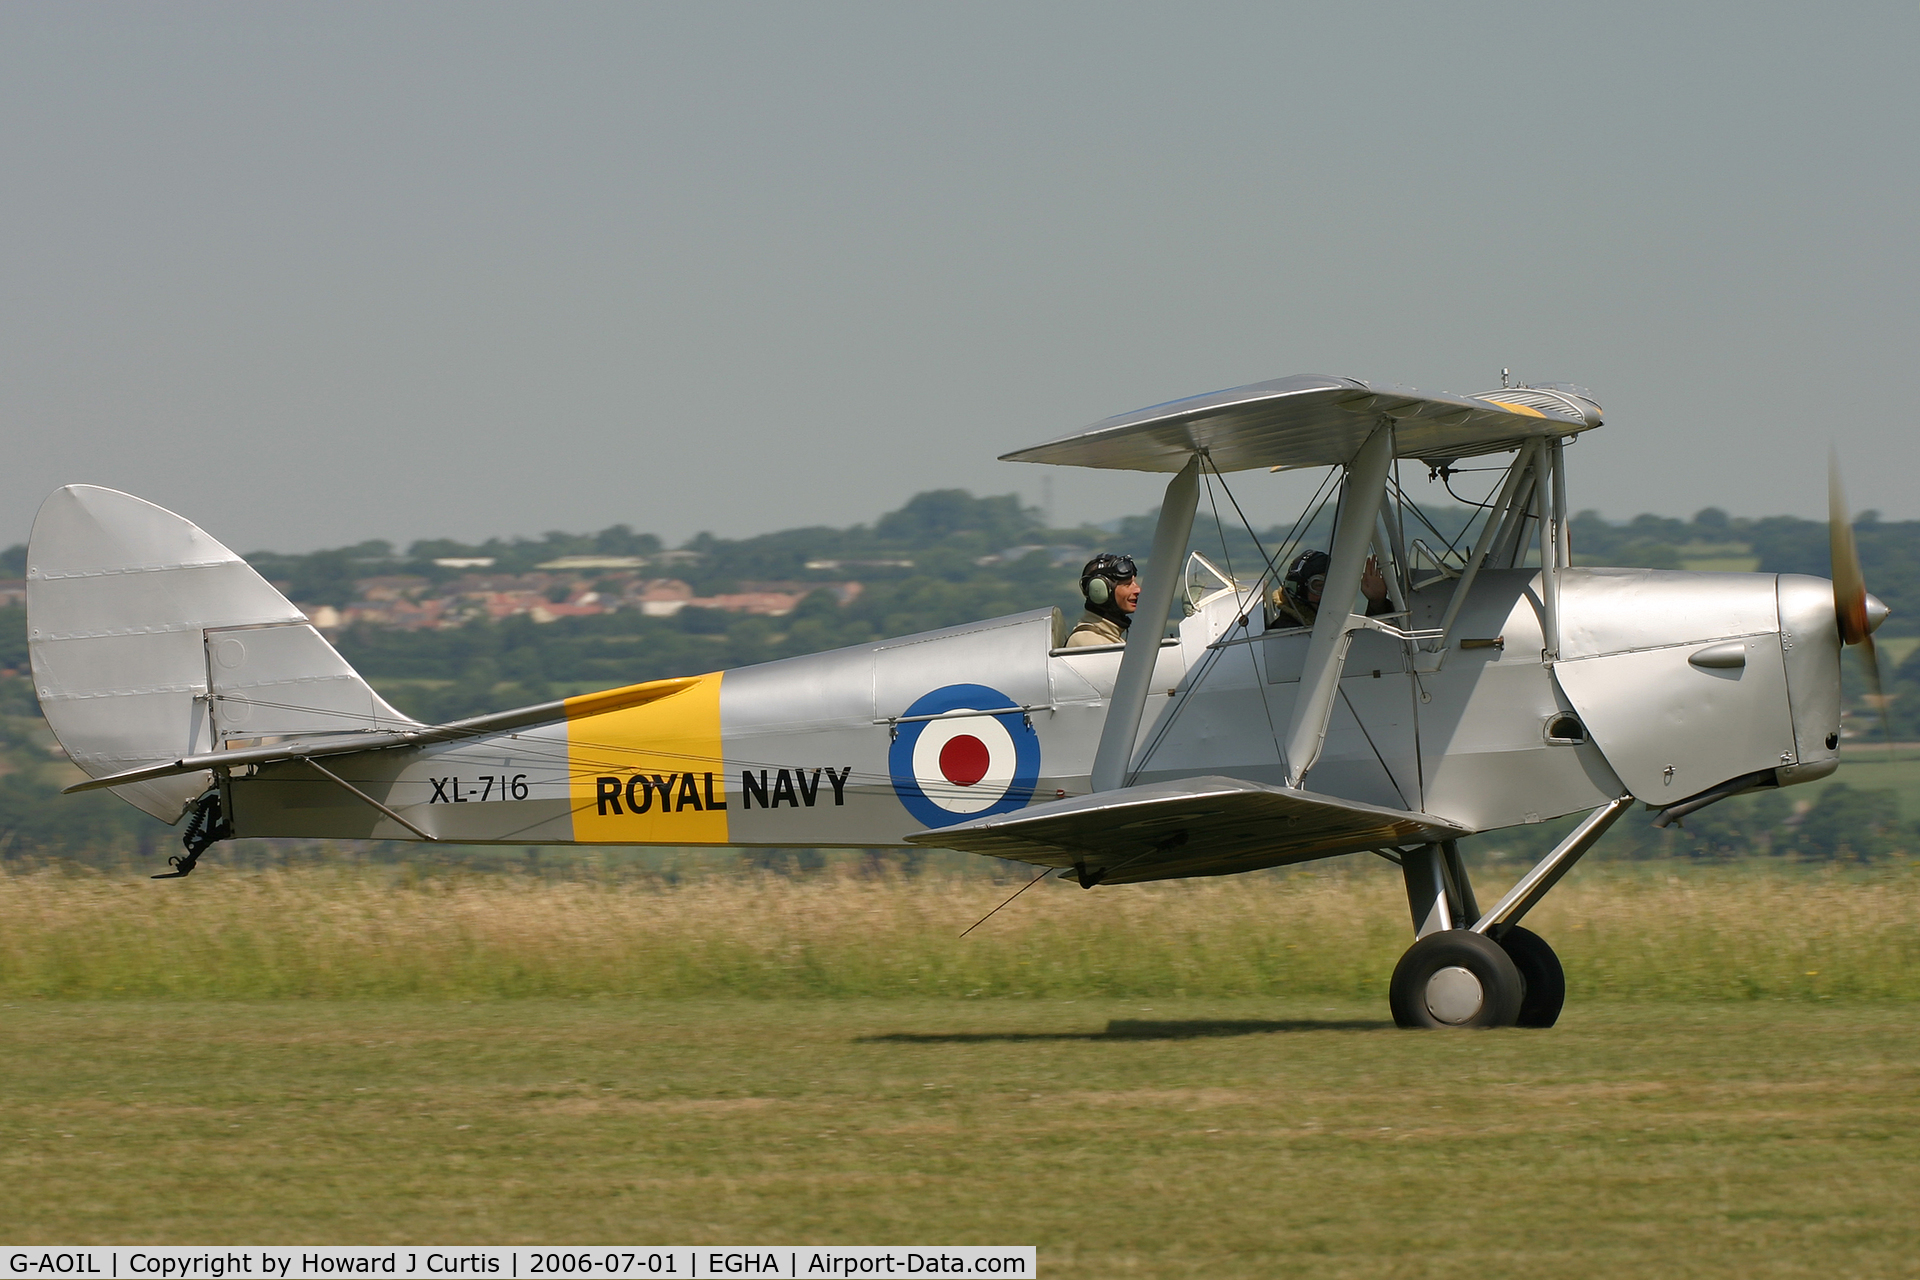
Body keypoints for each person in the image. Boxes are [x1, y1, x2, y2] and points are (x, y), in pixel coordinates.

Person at [1268, 549, 1394, 630]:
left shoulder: (1328, 625)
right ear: (1299, 592)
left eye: (1334, 585)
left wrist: (1377, 601)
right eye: (1319, 586)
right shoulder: (1287, 633)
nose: (1328, 594)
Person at [1065, 553, 1141, 646]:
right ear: (1102, 590)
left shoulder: (1108, 638)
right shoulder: (1089, 641)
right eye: (1127, 584)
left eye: (1135, 583)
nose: (1138, 590)